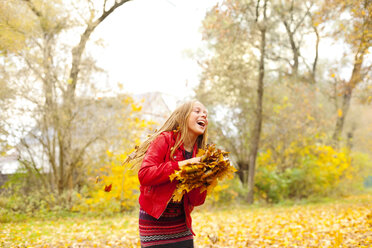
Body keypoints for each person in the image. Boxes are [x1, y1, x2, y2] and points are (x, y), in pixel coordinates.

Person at [127, 100, 209, 248]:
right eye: (197, 111)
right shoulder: (164, 139)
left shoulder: (201, 154)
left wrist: (203, 179)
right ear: (182, 117)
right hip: (153, 224)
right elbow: (144, 175)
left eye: (205, 114)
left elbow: (197, 200)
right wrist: (181, 165)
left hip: (181, 226)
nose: (203, 114)